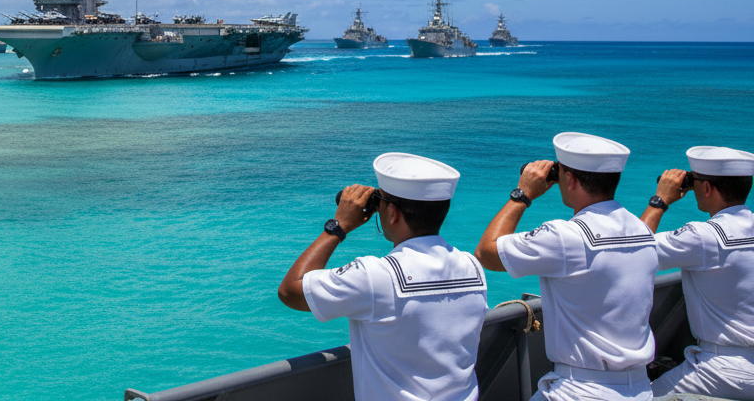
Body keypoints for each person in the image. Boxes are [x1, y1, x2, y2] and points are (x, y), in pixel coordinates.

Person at [278, 153, 487, 401]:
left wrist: (338, 226)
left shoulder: (376, 276)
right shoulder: (472, 267)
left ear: (393, 213)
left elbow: (290, 291)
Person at [474, 132, 657, 401]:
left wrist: (522, 194)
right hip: (640, 389)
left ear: (569, 180)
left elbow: (486, 253)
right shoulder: (643, 230)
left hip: (581, 391)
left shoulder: (566, 237)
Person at [640, 145, 754, 400]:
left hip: (723, 371)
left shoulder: (703, 237)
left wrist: (660, 200)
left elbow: (631, 250)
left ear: (706, 188)